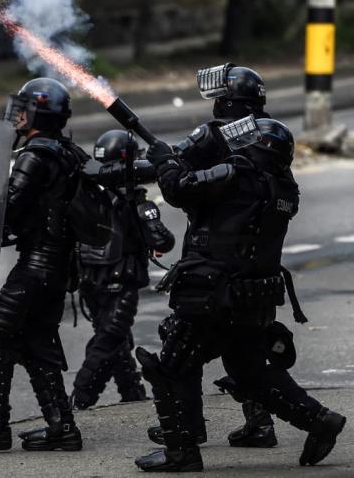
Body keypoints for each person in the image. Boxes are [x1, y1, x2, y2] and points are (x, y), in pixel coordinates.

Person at [135, 116, 346, 471]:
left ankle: (181, 452)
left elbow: (179, 190)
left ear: (259, 149)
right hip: (252, 297)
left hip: (216, 293)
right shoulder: (283, 187)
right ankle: (320, 420)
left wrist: (165, 161)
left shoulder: (238, 175)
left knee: (171, 366)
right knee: (250, 372)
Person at [0, 78, 87, 451]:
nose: (17, 116)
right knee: (38, 341)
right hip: (58, 267)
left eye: (24, 109)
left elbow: (6, 210)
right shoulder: (69, 152)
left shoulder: (34, 156)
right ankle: (62, 427)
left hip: (37, 265)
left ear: (38, 114)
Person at [148, 63, 280, 449]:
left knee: (181, 342)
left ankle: (186, 428)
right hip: (256, 265)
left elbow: (177, 182)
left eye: (220, 98)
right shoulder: (268, 139)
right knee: (246, 347)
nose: (215, 104)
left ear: (227, 102)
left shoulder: (215, 136)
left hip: (216, 266)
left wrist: (162, 161)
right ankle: (261, 422)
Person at [72, 130, 174, 409]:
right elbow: (163, 241)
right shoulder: (135, 202)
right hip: (121, 279)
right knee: (110, 338)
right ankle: (79, 399)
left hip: (89, 281)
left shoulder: (86, 195)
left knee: (116, 338)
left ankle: (132, 392)